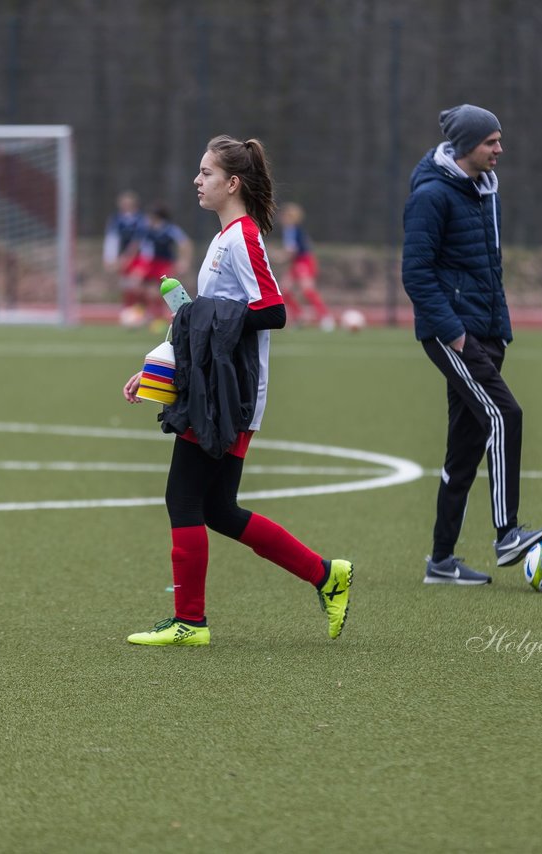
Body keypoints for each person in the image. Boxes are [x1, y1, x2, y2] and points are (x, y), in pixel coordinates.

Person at [121, 135, 352, 646]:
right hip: (217, 387)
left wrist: (206, 316)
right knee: (218, 508)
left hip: (230, 394)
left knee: (182, 498)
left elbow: (274, 310)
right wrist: (158, 367)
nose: (196, 181)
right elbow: (199, 320)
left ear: (232, 183)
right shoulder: (224, 238)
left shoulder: (243, 237)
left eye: (205, 173)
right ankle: (326, 575)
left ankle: (190, 622)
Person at [401, 104, 542, 586]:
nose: (500, 149)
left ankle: (440, 563)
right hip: (453, 335)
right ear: (468, 145)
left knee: (464, 448)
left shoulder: (486, 191)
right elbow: (416, 275)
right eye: (491, 141)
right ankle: (507, 533)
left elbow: (488, 267)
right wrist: (456, 332)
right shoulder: (430, 195)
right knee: (506, 414)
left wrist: (496, 329)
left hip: (487, 332)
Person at [278, 202, 334, 330]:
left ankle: (326, 317)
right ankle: (299, 316)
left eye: (285, 215)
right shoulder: (290, 230)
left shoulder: (293, 230)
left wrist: (280, 257)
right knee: (284, 290)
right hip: (297, 262)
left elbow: (292, 251)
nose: (282, 218)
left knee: (307, 290)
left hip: (304, 261)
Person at [134, 202, 192, 324]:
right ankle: (150, 314)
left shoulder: (170, 229)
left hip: (165, 264)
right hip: (151, 263)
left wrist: (184, 261)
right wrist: (141, 266)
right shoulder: (147, 230)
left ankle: (167, 315)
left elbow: (185, 244)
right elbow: (141, 247)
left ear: (156, 217)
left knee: (163, 291)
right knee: (143, 289)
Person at [103, 190, 148, 325]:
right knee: (126, 286)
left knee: (137, 285)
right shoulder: (116, 219)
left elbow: (138, 241)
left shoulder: (140, 219)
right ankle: (128, 312)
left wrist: (127, 257)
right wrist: (109, 258)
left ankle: (142, 311)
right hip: (122, 258)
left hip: (139, 258)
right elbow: (112, 239)